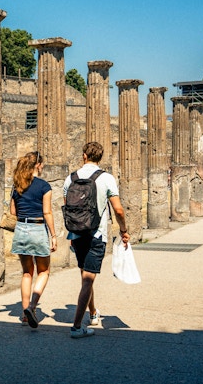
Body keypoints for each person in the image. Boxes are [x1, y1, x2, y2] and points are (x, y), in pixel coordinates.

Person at [63, 142, 129, 338]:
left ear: (84, 155)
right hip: (96, 235)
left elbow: (67, 207)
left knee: (85, 277)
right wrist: (124, 230)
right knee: (87, 279)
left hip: (76, 233)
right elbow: (118, 209)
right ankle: (76, 327)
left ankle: (92, 313)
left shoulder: (70, 178)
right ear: (100, 157)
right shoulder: (106, 178)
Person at [9, 151, 57, 328]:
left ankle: (24, 314)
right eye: (42, 164)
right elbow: (47, 212)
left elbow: (13, 212)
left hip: (21, 228)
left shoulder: (17, 185)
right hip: (37, 229)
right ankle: (32, 306)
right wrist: (53, 236)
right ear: (37, 165)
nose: (43, 167)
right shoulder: (44, 186)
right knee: (43, 271)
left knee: (26, 273)